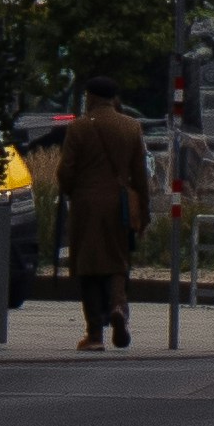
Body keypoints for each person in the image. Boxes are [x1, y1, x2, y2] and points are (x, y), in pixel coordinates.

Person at [56, 72, 149, 350]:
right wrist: (143, 211)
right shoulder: (131, 127)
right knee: (117, 262)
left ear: (91, 98)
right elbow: (140, 176)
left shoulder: (79, 128)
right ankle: (119, 307)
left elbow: (65, 171)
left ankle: (95, 334)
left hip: (86, 204)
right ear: (114, 99)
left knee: (87, 268)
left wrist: (75, 192)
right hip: (118, 204)